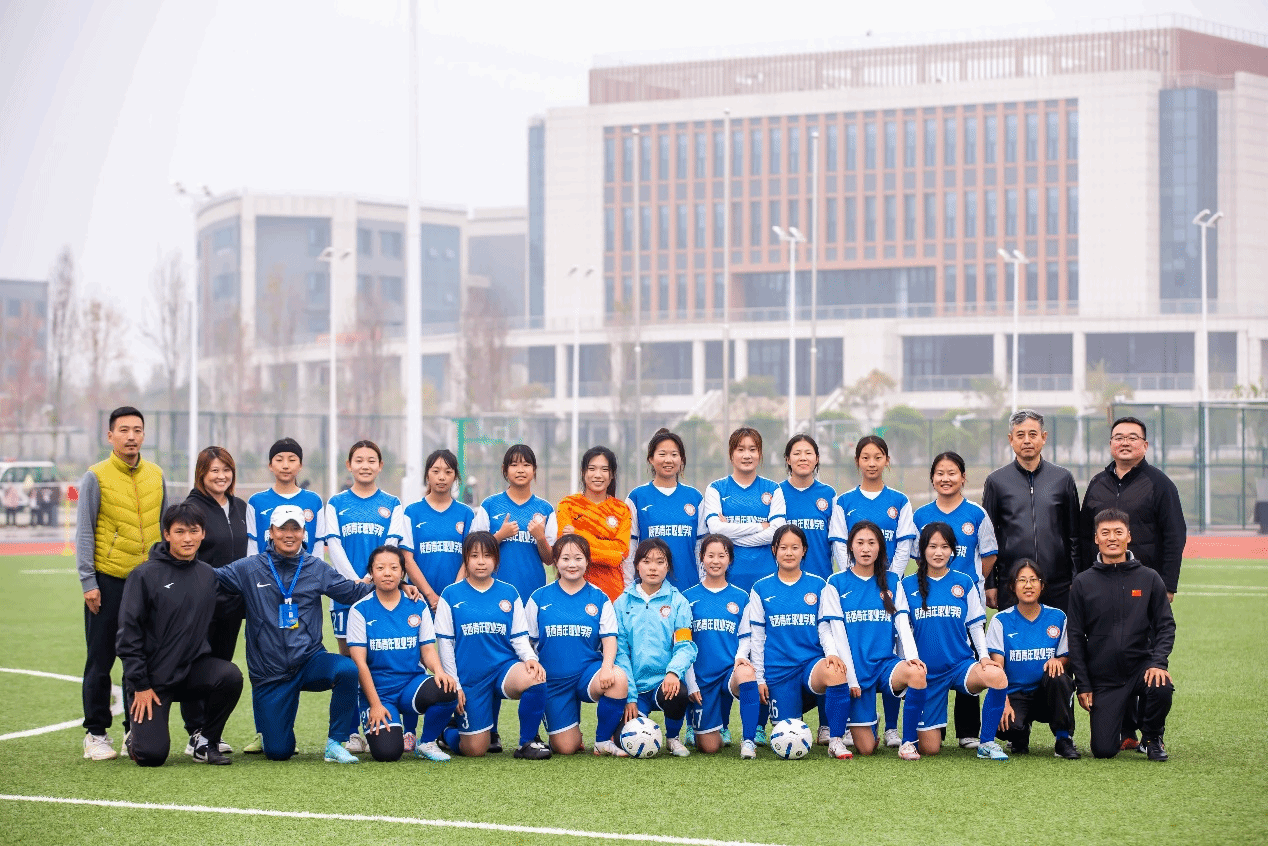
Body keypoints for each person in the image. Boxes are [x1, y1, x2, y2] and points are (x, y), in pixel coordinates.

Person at [214, 504, 382, 763]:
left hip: (309, 661)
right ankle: (276, 732)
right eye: (283, 528)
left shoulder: (316, 568)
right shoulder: (249, 568)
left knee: (347, 669)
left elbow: (352, 592)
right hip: (270, 672)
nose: (289, 534)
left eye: (296, 528)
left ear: (304, 533)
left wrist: (396, 584)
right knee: (278, 752)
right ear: (271, 532)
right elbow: (209, 578)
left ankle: (335, 742)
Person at [115, 503, 243, 767]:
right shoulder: (143, 575)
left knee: (230, 676)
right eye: (180, 532)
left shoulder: (207, 575)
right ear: (167, 534)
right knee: (151, 756)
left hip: (190, 673)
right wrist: (140, 684)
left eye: (194, 531)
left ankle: (205, 741)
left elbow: (230, 607)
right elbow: (128, 635)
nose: (187, 539)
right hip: (151, 680)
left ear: (203, 534)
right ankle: (134, 737)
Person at [76, 406, 166, 761]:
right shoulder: (95, 476)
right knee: (100, 660)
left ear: (144, 435)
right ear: (110, 435)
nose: (131, 436)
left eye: (137, 430)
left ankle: (134, 730)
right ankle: (96, 733)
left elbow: (164, 528)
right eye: (124, 430)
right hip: (108, 580)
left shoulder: (156, 475)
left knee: (141, 659)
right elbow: (85, 531)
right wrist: (89, 581)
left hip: (147, 584)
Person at [828, 434, 915, 748]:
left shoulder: (899, 500)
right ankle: (858, 722)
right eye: (865, 457)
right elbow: (840, 545)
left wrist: (888, 580)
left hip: (886, 586)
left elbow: (904, 546)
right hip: (857, 583)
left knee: (891, 648)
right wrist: (855, 577)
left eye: (878, 457)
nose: (872, 463)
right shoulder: (844, 501)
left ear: (887, 461)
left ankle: (892, 728)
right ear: (857, 462)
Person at [1068, 508, 1176, 761]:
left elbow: (1165, 625)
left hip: (1141, 668)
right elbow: (1075, 636)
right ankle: (1123, 725)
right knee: (1103, 751)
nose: (1112, 538)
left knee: (1161, 684)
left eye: (1118, 532)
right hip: (1104, 677)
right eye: (1105, 532)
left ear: (1129, 536)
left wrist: (1158, 663)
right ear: (1096, 538)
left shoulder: (1149, 578)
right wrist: (1084, 684)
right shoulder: (1083, 583)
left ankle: (1151, 737)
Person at [434, 531, 552, 760]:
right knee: (475, 750)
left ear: (496, 560)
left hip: (502, 669)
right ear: (465, 559)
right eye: (474, 555)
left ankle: (527, 742)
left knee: (535, 677)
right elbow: (445, 645)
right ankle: (447, 732)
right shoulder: (451, 594)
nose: (481, 561)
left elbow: (519, 637)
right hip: (470, 678)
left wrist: (530, 658)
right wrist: (456, 685)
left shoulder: (509, 592)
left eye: (487, 555)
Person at [321, 439, 405, 754]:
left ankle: (378, 723)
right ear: (349, 465)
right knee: (350, 664)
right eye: (359, 460)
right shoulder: (336, 503)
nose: (365, 465)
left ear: (380, 466)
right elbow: (334, 545)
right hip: (345, 594)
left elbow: (391, 543)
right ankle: (352, 731)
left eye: (371, 460)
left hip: (381, 592)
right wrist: (354, 581)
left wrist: (371, 577)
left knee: (376, 658)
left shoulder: (392, 503)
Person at [912, 451, 998, 750]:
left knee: (967, 658)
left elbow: (989, 556)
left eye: (952, 473)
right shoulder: (921, 516)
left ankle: (968, 731)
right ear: (932, 478)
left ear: (963, 478)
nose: (946, 478)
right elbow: (917, 557)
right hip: (930, 603)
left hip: (964, 603)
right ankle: (933, 726)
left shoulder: (977, 513)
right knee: (932, 658)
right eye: (940, 473)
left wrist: (967, 587)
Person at [747, 524, 856, 760]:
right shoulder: (760, 588)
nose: (789, 553)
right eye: (783, 547)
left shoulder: (819, 585)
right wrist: (760, 677)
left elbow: (824, 628)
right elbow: (757, 638)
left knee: (835, 671)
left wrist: (831, 654)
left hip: (810, 665)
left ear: (804, 550)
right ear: (774, 550)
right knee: (787, 734)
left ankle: (835, 739)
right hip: (779, 670)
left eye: (795, 547)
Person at [902, 522, 1008, 757]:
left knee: (997, 676)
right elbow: (903, 630)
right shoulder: (907, 585)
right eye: (932, 546)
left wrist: (983, 657)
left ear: (953, 550)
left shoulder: (964, 582)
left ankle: (986, 743)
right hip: (927, 674)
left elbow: (975, 625)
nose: (938, 552)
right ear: (922, 549)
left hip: (960, 666)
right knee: (930, 749)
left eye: (944, 546)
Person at [346, 546, 459, 763]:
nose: (387, 573)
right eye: (380, 568)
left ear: (402, 573)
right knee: (387, 753)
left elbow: (428, 649)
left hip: (410, 686)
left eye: (393, 568)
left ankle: (427, 742)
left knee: (446, 687)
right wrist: (375, 705)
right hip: (379, 693)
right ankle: (377, 725)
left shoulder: (417, 606)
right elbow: (359, 663)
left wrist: (439, 671)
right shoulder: (360, 610)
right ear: (372, 573)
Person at [828, 520, 926, 761]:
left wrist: (912, 657)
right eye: (860, 543)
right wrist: (851, 678)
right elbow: (838, 635)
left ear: (880, 547)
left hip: (884, 665)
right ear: (850, 547)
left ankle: (908, 743)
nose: (865, 549)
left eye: (871, 543)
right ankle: (870, 721)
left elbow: (902, 623)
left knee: (917, 673)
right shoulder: (836, 583)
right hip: (856, 669)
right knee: (866, 748)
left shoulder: (892, 581)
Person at [525, 534, 630, 757]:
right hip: (553, 682)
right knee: (566, 748)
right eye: (565, 558)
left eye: (578, 558)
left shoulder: (599, 597)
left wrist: (607, 667)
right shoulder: (539, 597)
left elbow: (609, 639)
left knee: (618, 679)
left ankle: (602, 740)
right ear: (555, 561)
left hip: (587, 674)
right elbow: (528, 642)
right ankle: (568, 727)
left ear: (588, 561)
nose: (572, 564)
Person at [180, 446, 249, 756]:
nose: (221, 476)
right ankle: (195, 732)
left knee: (221, 666)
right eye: (214, 471)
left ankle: (211, 732)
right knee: (196, 665)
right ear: (202, 474)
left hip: (232, 604)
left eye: (226, 470)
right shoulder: (191, 508)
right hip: (200, 602)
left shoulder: (239, 507)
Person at [981, 559, 1081, 761]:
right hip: (1016, 693)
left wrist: (1059, 661)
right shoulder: (1001, 621)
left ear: (1042, 586)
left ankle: (1063, 739)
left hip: (1047, 694)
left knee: (1059, 677)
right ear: (1013, 586)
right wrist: (1003, 702)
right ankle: (1020, 732)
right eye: (1022, 580)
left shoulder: (1058, 617)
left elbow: (1066, 656)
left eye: (1034, 580)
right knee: (1009, 727)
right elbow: (997, 667)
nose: (1028, 585)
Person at [1079, 416, 1186, 603]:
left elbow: (1174, 536)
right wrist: (1081, 577)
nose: (1125, 443)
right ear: (1111, 444)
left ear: (1145, 445)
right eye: (1119, 438)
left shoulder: (1160, 484)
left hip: (1144, 583)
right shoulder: (1097, 483)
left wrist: (1168, 585)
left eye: (1132, 438)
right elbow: (1083, 535)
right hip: (1100, 581)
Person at [982, 409, 1081, 612]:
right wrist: (990, 583)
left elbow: (1074, 535)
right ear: (1011, 439)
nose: (1027, 440)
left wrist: (1076, 577)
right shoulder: (996, 481)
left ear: (1043, 437)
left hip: (1058, 584)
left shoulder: (1062, 478)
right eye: (1020, 435)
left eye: (1033, 434)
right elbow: (987, 538)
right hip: (1013, 584)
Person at [615, 538, 699, 757]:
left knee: (678, 692)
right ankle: (638, 717)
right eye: (646, 561)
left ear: (667, 566)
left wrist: (673, 672)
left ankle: (672, 738)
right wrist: (630, 695)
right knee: (622, 740)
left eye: (660, 562)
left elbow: (685, 645)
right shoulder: (622, 602)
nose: (653, 567)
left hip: (663, 683)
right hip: (634, 686)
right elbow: (620, 652)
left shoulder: (678, 602)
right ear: (637, 565)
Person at [684, 534, 761, 759]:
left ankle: (748, 741)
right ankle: (709, 727)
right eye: (710, 555)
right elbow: (683, 643)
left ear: (730, 560)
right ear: (702, 558)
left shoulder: (741, 596)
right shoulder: (687, 597)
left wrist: (740, 657)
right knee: (709, 748)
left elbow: (745, 636)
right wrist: (691, 682)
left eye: (722, 556)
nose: (715, 561)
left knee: (747, 672)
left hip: (729, 672)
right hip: (701, 677)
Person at [472, 444, 558, 613]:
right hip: (493, 591)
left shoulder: (545, 509)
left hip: (532, 592)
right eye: (514, 465)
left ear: (534, 470)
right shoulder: (490, 505)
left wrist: (540, 538)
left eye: (526, 465)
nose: (520, 470)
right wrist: (499, 536)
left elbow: (550, 559)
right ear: (504, 470)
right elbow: (474, 550)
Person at [703, 427, 786, 594]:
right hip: (728, 578)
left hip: (766, 577)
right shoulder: (716, 488)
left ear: (760, 454)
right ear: (731, 455)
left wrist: (730, 535)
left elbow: (776, 534)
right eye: (740, 449)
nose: (747, 455)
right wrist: (759, 526)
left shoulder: (773, 488)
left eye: (752, 450)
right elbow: (716, 529)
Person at [399, 449, 481, 609]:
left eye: (448, 472)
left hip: (457, 602)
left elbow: (470, 557)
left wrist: (452, 595)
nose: (442, 477)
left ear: (455, 477)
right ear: (427, 475)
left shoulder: (466, 514)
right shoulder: (412, 512)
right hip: (420, 602)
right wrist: (430, 595)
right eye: (436, 471)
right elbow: (407, 559)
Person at [626, 429, 706, 594]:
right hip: (649, 591)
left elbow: (701, 548)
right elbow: (630, 549)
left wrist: (703, 586)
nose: (668, 460)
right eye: (662, 454)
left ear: (681, 459)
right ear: (651, 458)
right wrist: (628, 588)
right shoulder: (637, 497)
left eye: (674, 454)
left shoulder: (695, 497)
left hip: (688, 589)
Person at [556, 446, 631, 602]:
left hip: (611, 593)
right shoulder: (568, 505)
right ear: (583, 472)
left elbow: (620, 553)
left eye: (604, 469)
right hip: (573, 590)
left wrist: (579, 535)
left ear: (612, 475)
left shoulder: (622, 509)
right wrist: (608, 553)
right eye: (592, 469)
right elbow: (565, 550)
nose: (598, 475)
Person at [245, 437, 324, 557]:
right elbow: (252, 549)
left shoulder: (314, 501)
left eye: (292, 460)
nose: (285, 465)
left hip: (305, 569)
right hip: (266, 569)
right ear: (270, 465)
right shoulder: (256, 501)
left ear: (300, 465)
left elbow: (318, 547)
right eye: (279, 460)